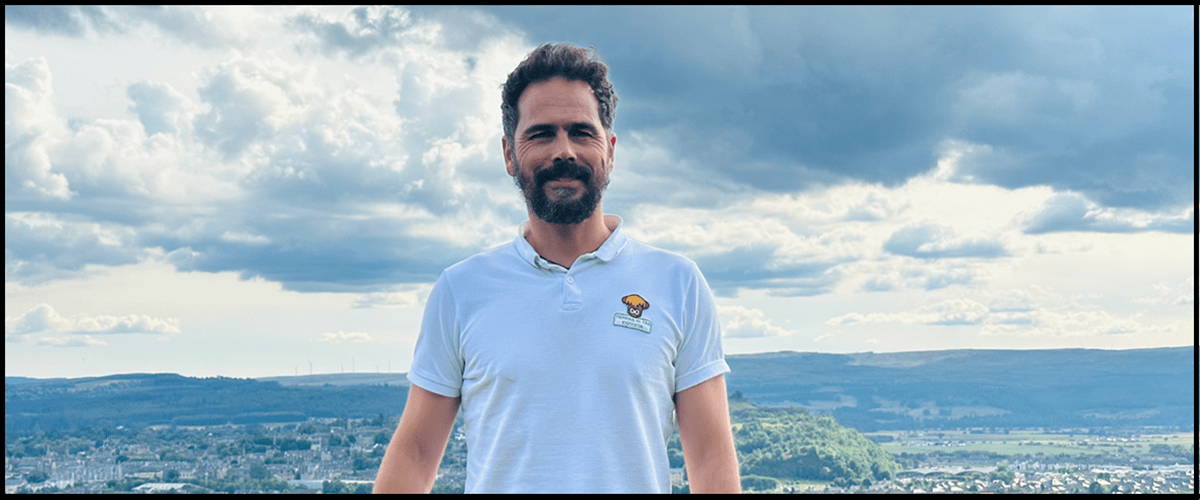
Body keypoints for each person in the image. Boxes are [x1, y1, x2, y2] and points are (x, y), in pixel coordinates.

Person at [373, 43, 740, 494]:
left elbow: (710, 458)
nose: (563, 150)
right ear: (509, 154)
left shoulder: (679, 284)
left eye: (582, 132)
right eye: (542, 133)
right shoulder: (460, 289)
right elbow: (415, 454)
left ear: (610, 149)